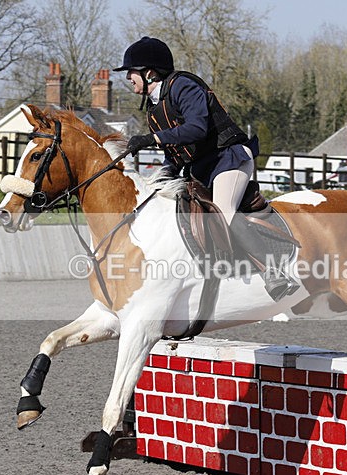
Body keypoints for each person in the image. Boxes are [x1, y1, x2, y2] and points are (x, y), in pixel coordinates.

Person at [114, 36, 297, 301]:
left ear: (149, 73)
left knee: (224, 210)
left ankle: (274, 272)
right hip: (201, 168)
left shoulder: (183, 87)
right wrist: (158, 180)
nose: (128, 78)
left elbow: (196, 128)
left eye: (131, 72)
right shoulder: (154, 109)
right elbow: (175, 156)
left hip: (229, 157)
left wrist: (151, 139)